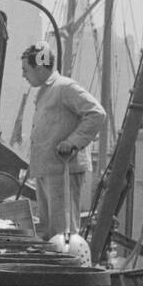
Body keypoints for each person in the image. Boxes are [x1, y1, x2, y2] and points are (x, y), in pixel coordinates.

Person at [20, 43, 106, 237]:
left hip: (63, 170)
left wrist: (73, 142)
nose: (24, 75)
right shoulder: (46, 92)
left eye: (26, 70)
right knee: (51, 231)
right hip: (47, 169)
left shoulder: (65, 88)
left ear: (40, 67)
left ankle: (66, 264)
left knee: (63, 231)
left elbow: (96, 113)